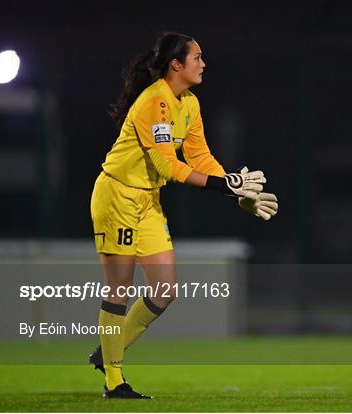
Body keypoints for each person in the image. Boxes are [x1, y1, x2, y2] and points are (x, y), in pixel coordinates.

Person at [88, 32, 278, 399]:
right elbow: (169, 165)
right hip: (116, 196)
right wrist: (228, 185)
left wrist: (236, 191)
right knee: (119, 289)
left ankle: (107, 351)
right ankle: (113, 380)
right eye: (197, 57)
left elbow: (201, 157)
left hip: (147, 201)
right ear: (176, 64)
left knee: (165, 290)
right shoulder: (153, 102)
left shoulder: (189, 103)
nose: (203, 63)